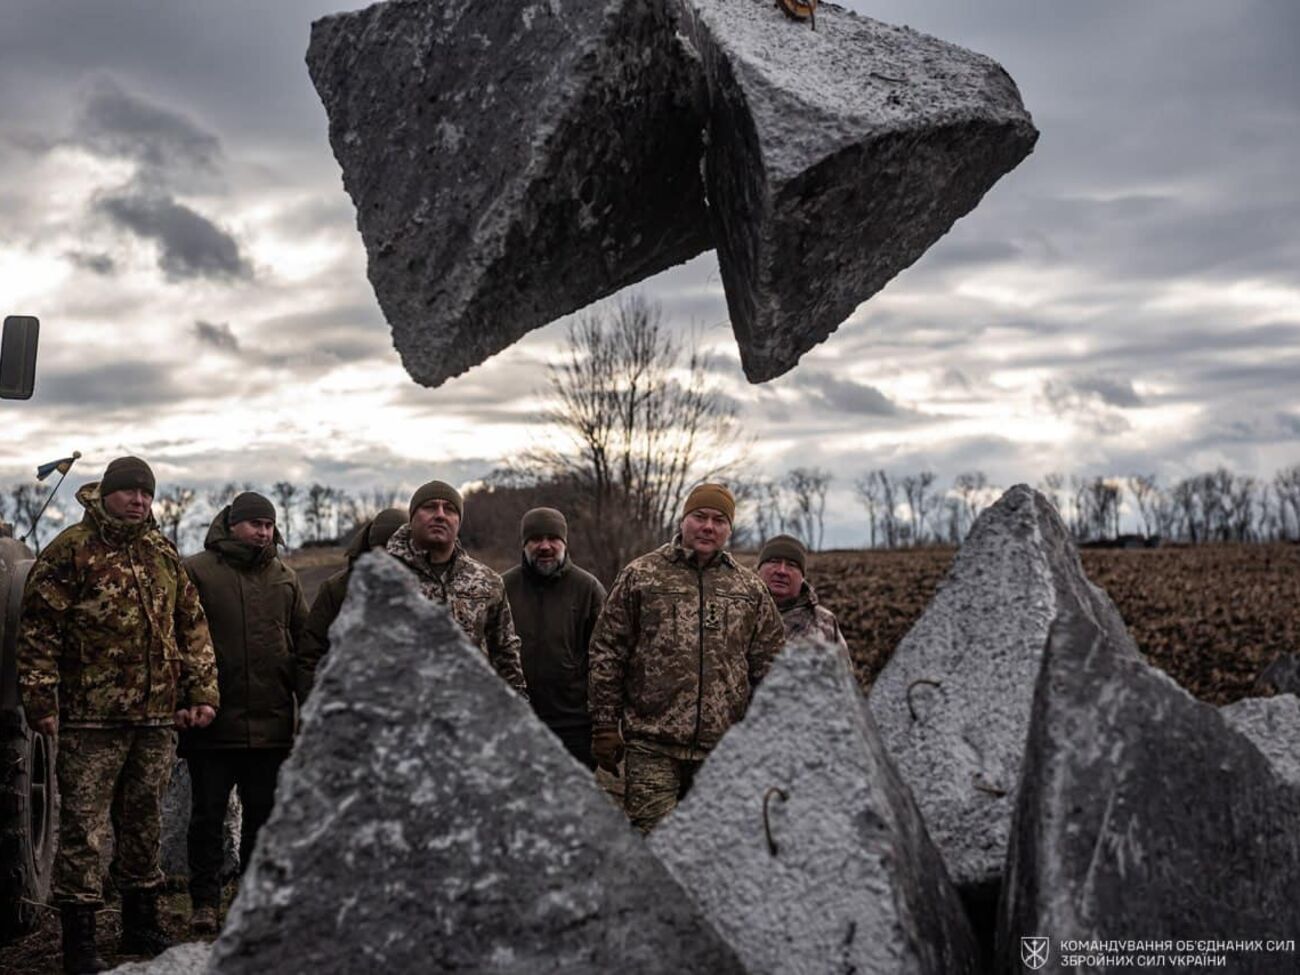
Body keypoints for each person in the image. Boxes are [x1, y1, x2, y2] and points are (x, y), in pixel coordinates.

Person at [17, 456, 219, 973]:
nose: (139, 501)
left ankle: (139, 922)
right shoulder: (71, 550)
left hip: (155, 718)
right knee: (83, 829)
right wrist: (40, 701)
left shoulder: (161, 553)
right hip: (90, 719)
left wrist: (201, 693)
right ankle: (80, 937)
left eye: (147, 493)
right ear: (106, 493)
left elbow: (191, 626)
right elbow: (39, 632)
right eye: (130, 491)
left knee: (144, 822)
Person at [587, 483, 785, 832]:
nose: (708, 526)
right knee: (656, 844)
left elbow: (772, 666)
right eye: (700, 517)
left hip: (723, 752)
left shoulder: (749, 589)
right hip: (652, 744)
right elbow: (608, 650)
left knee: (715, 846)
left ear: (729, 529)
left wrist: (768, 734)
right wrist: (605, 724)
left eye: (719, 520)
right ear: (684, 520)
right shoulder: (641, 576)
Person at [179, 491, 308, 934]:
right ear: (232, 524)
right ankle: (203, 902)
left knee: (263, 817)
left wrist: (308, 707)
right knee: (207, 817)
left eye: (269, 525)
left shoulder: (286, 578)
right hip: (213, 723)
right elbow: (179, 640)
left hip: (271, 723)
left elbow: (304, 647)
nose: (263, 532)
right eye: (255, 524)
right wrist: (186, 700)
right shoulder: (197, 571)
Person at [386, 480, 527, 695]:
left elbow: (505, 656)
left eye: (449, 509)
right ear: (412, 518)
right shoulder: (382, 578)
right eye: (430, 507)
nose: (440, 515)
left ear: (458, 522)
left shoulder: (487, 582)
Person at [502, 507, 606, 768]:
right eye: (536, 539)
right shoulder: (502, 588)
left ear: (565, 543)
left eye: (553, 538)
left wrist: (604, 724)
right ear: (524, 544)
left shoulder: (588, 589)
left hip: (573, 727)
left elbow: (605, 660)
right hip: (515, 723)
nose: (545, 546)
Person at [297, 507, 406, 702]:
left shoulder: (423, 587)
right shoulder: (338, 590)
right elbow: (311, 656)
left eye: (399, 551)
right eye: (384, 550)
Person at [755, 534, 848, 650]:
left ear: (802, 577)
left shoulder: (824, 622)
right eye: (774, 562)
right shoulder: (738, 613)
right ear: (758, 569)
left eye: (791, 565)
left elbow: (841, 662)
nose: (782, 571)